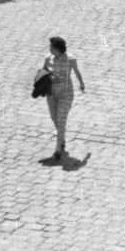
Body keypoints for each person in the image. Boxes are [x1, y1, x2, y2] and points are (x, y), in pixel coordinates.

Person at [41, 35, 85, 163]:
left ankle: (58, 150)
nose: (49, 49)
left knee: (61, 121)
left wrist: (81, 83)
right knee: (54, 118)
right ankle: (62, 139)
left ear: (58, 49)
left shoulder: (70, 59)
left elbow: (76, 72)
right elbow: (43, 72)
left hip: (66, 94)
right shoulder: (48, 58)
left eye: (51, 47)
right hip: (51, 94)